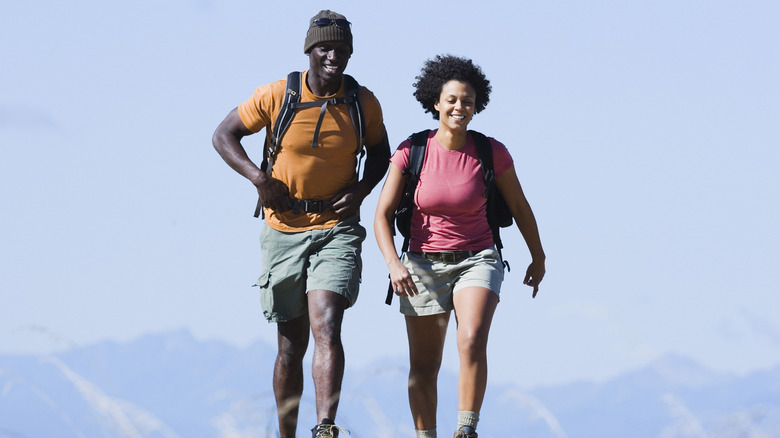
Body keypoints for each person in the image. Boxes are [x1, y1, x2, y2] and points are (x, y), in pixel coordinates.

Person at [212, 10, 390, 438]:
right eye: (326, 47)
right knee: (290, 344)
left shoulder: (362, 102)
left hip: (337, 227)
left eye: (342, 48)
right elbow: (223, 135)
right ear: (309, 49)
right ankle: (287, 433)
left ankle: (324, 427)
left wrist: (363, 189)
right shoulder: (278, 94)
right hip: (283, 229)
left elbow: (382, 155)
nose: (335, 55)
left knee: (327, 322)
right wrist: (259, 179)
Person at [374, 54, 546, 438]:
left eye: (467, 101)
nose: (459, 107)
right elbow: (382, 216)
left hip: (478, 259)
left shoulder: (491, 152)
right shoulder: (411, 150)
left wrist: (539, 255)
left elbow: (520, 207)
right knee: (424, 364)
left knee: (470, 340)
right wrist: (393, 264)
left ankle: (466, 430)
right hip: (421, 264)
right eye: (451, 99)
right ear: (436, 102)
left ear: (476, 106)